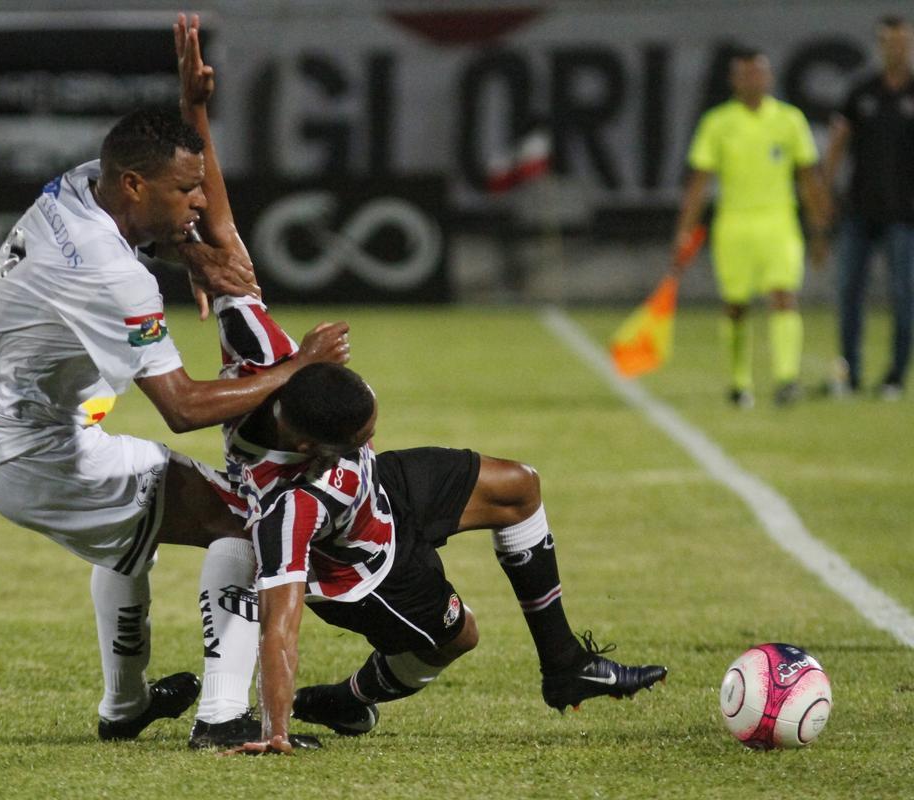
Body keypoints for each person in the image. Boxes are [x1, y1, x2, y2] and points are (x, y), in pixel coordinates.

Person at [168, 20, 666, 756]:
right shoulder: (294, 507)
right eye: (365, 427)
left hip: (386, 486)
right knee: (456, 638)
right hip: (366, 562)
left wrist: (194, 109)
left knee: (519, 487)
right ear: (313, 446)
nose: (372, 425)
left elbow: (217, 217)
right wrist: (274, 731)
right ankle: (353, 698)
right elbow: (283, 623)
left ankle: (565, 666)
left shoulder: (264, 352)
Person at [0, 31, 350, 747]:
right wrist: (299, 367)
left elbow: (166, 220)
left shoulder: (81, 184)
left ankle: (124, 707)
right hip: (30, 453)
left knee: (128, 540)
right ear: (135, 185)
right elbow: (184, 407)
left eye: (198, 186)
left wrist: (191, 116)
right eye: (185, 191)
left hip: (0, 433)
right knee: (248, 526)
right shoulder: (113, 274)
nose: (199, 200)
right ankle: (224, 723)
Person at [674, 48, 831, 408]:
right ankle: (739, 382)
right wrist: (684, 230)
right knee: (735, 305)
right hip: (734, 223)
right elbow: (699, 182)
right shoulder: (718, 122)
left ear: (769, 77)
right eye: (745, 74)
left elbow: (809, 179)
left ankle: (786, 379)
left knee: (783, 296)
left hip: (779, 222)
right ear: (734, 80)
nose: (753, 80)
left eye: (758, 73)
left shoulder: (790, 120)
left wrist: (820, 228)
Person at [824, 15, 914, 400]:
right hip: (860, 210)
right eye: (886, 41)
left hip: (906, 214)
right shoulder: (861, 91)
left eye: (899, 41)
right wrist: (826, 193)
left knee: (903, 294)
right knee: (848, 292)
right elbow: (837, 143)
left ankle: (894, 376)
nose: (893, 48)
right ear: (879, 45)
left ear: (908, 44)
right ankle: (850, 373)